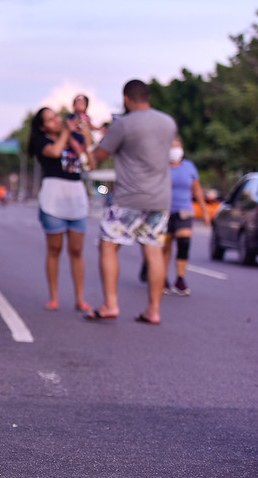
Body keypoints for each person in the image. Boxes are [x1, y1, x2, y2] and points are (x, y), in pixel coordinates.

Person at [88, 79, 177, 325]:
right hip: (160, 198)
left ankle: (110, 305)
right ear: (147, 97)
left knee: (108, 245)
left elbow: (99, 155)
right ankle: (154, 310)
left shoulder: (123, 125)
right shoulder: (168, 123)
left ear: (127, 99)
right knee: (154, 251)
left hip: (128, 198)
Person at [27, 107, 91, 312]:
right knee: (54, 249)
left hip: (77, 198)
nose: (57, 120)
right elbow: (54, 152)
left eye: (57, 117)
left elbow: (90, 160)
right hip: (53, 199)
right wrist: (66, 131)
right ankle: (53, 296)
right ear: (42, 126)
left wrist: (84, 131)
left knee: (77, 250)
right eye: (51, 119)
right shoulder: (42, 142)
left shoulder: (75, 139)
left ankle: (80, 298)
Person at [139, 136, 211, 294]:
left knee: (184, 242)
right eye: (172, 146)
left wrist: (205, 211)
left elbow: (197, 189)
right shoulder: (161, 167)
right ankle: (162, 278)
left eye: (177, 146)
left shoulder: (189, 167)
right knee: (165, 247)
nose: (175, 150)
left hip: (184, 210)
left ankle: (180, 279)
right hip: (163, 210)